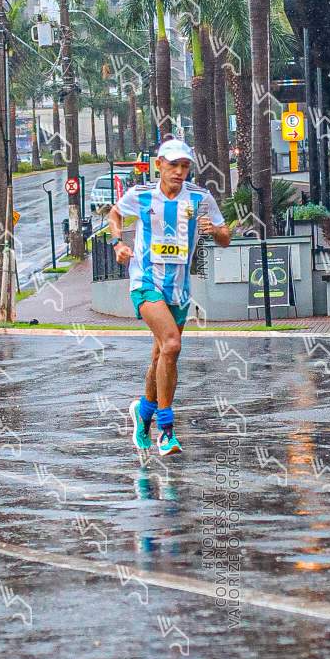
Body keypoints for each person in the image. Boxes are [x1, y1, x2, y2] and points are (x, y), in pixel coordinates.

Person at [107, 138, 231, 456]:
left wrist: (214, 231)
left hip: (179, 289)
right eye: (173, 165)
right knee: (172, 344)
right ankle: (166, 430)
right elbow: (114, 214)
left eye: (184, 166)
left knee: (161, 355)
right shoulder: (142, 195)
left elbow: (225, 237)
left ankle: (143, 414)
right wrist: (118, 243)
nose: (179, 171)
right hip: (145, 281)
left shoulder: (200, 198)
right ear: (159, 164)